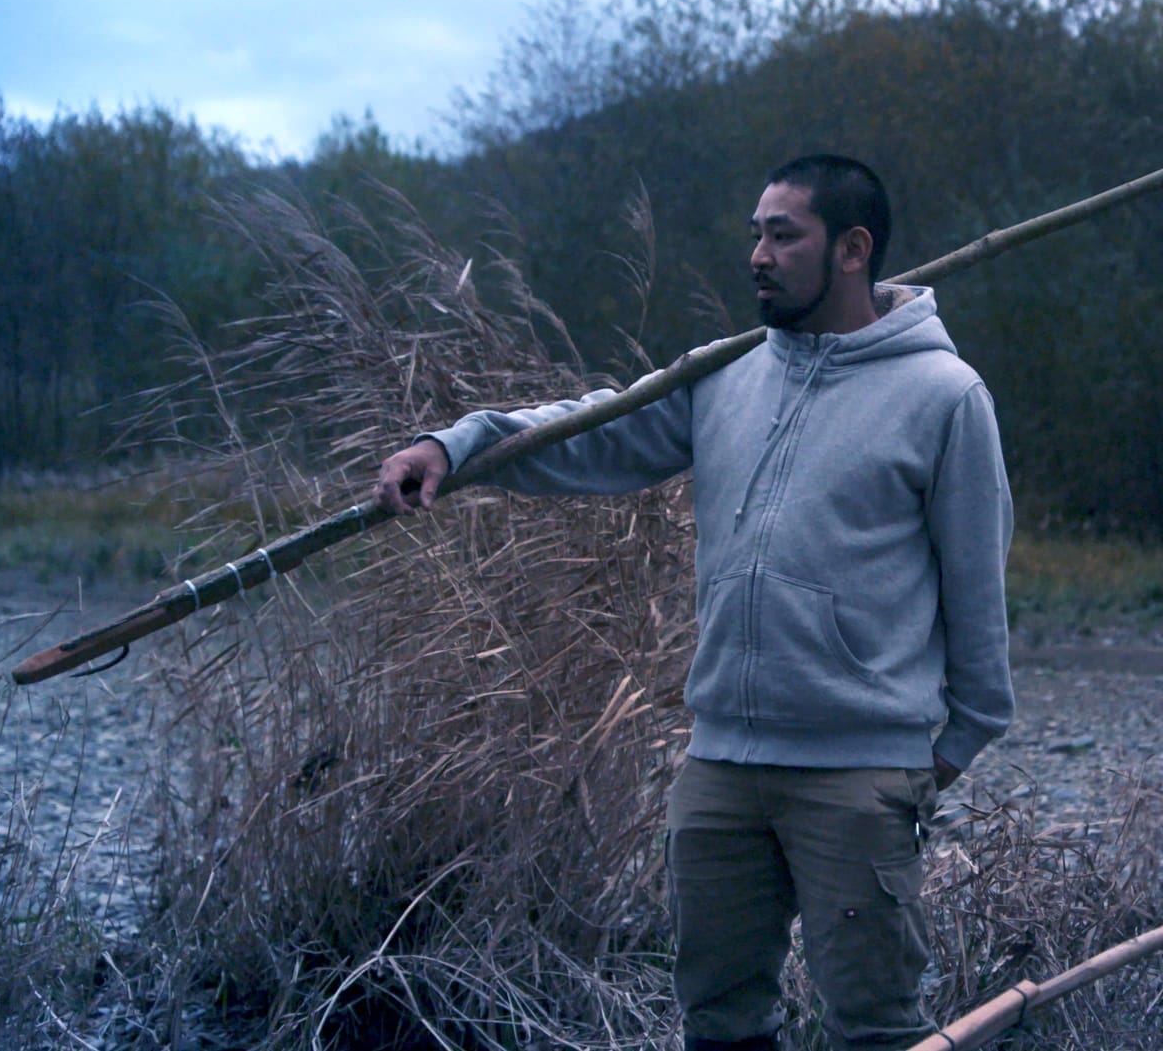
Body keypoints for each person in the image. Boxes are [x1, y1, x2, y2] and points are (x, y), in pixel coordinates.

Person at [375, 154, 1014, 1050]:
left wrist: (934, 755)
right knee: (718, 1021)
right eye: (755, 232)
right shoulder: (725, 374)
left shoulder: (945, 398)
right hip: (720, 771)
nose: (757, 253)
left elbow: (980, 598)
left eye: (782, 234)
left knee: (875, 1029)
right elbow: (590, 430)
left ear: (852, 250)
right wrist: (455, 446)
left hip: (858, 776)